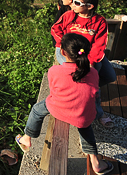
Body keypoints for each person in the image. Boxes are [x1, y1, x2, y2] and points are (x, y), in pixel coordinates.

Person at [15, 33, 114, 175]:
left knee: (37, 110)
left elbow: (53, 92)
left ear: (62, 52)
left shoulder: (54, 70)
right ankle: (96, 162)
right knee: (86, 129)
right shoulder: (92, 72)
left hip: (58, 109)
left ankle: (27, 138)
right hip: (84, 116)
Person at [51, 0, 117, 127]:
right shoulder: (68, 15)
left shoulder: (99, 21)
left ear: (90, 6)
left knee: (110, 76)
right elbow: (55, 30)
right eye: (72, 0)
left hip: (88, 55)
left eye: (76, 2)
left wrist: (91, 62)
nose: (72, 4)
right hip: (69, 53)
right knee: (90, 80)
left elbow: (99, 44)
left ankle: (86, 93)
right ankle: (98, 112)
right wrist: (64, 43)